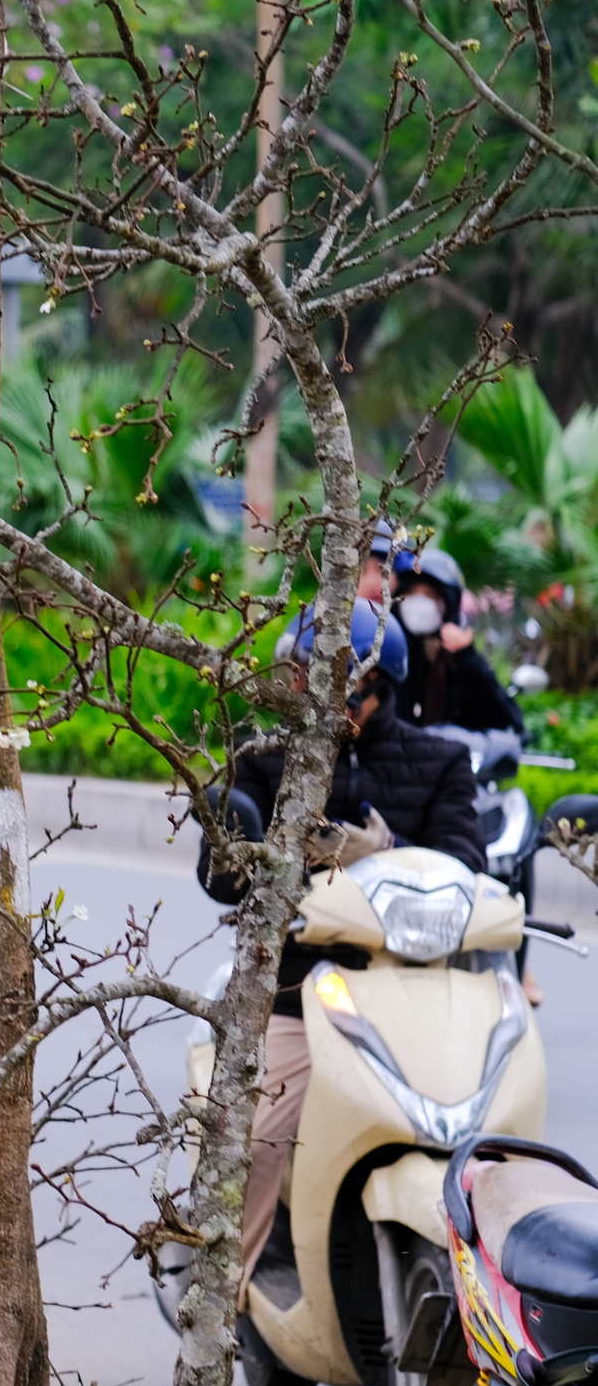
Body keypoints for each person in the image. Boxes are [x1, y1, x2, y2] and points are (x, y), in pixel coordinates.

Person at [201, 598, 483, 1288]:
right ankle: (217, 1299)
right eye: (302, 674)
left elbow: (466, 870)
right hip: (296, 990)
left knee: (484, 1136)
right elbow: (223, 873)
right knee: (255, 1134)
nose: (308, 690)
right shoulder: (263, 760)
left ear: (376, 684)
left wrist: (386, 851)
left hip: (409, 993)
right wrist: (231, 848)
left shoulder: (441, 761)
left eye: (329, 676)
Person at [393, 547, 525, 735]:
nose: (419, 602)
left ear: (449, 602)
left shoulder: (461, 661)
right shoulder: (390, 654)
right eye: (412, 592)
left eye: (430, 594)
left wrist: (467, 658)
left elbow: (508, 720)